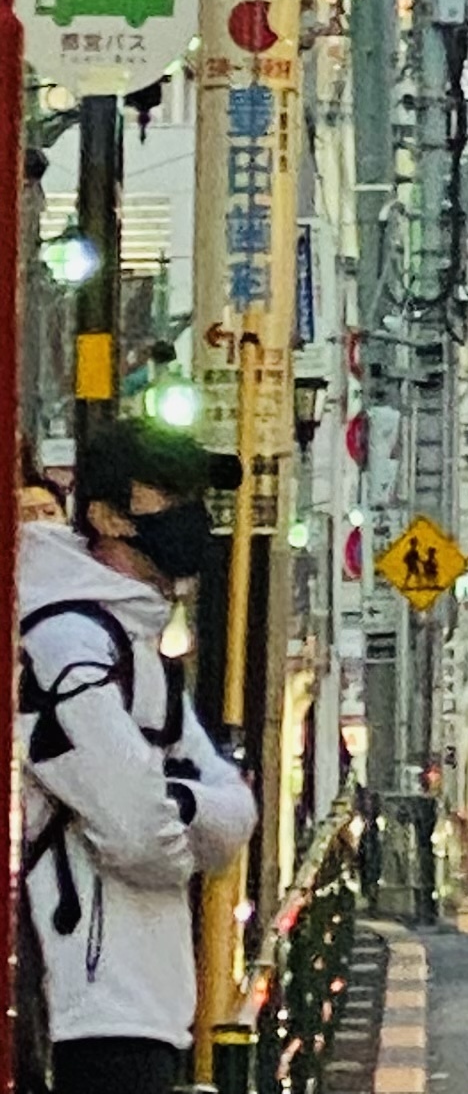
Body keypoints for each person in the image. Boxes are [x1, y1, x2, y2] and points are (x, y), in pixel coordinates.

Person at [18, 415, 256, 1094]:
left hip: (144, 1004)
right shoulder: (68, 641)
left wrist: (172, 800)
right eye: (169, 497)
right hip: (80, 1008)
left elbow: (235, 812)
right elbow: (135, 833)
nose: (193, 519)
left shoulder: (135, 644)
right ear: (107, 516)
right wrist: (180, 810)